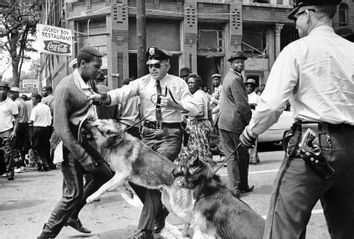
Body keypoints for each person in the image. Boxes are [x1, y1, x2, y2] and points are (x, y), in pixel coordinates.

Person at [239, 1, 354, 238]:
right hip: (351, 149)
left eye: (297, 18)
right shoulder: (351, 51)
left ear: (308, 14)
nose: (297, 24)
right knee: (347, 229)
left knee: (283, 227)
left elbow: (271, 104)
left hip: (311, 146)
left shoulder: (297, 49)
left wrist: (251, 132)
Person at [90, 46, 198, 239]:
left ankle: (145, 229)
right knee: (138, 180)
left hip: (170, 134)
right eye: (149, 65)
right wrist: (104, 98)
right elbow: (123, 92)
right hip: (147, 133)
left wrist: (177, 105)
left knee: (154, 175)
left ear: (167, 65)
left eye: (157, 65)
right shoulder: (143, 82)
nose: (152, 69)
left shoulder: (178, 83)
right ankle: (160, 212)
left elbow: (195, 108)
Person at [37, 46, 114, 239]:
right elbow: (61, 128)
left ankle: (72, 215)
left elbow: (93, 105)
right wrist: (82, 155)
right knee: (72, 194)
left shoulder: (89, 82)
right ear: (82, 64)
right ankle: (46, 235)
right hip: (69, 146)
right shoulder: (65, 87)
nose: (100, 71)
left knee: (104, 174)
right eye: (96, 66)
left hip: (87, 142)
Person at [218, 51, 253, 198]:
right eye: (237, 62)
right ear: (231, 64)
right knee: (240, 156)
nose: (240, 64)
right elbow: (242, 105)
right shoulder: (236, 79)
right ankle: (238, 188)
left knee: (232, 155)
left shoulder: (227, 77)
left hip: (223, 122)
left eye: (241, 62)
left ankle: (239, 186)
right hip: (234, 122)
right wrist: (249, 121)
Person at [178, 73, 213, 165]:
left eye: (193, 82)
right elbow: (209, 111)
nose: (190, 85)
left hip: (198, 125)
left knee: (198, 150)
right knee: (201, 150)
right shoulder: (202, 94)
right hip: (201, 124)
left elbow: (200, 112)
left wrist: (186, 113)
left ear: (198, 84)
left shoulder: (198, 95)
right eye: (188, 83)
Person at [0, 82, 19, 180]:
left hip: (7, 130)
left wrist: (14, 131)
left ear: (7, 91)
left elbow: (16, 118)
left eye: (4, 89)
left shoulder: (11, 104)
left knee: (8, 152)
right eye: (0, 89)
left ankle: (9, 172)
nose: (1, 91)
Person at [29, 93, 52, 171]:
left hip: (37, 129)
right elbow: (50, 120)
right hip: (46, 129)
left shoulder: (35, 109)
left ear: (38, 99)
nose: (32, 102)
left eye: (33, 100)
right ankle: (46, 163)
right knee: (45, 147)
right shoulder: (47, 108)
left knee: (36, 147)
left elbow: (31, 120)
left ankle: (40, 163)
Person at [9, 87, 29, 173]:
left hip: (18, 125)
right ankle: (22, 164)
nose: (10, 95)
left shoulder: (15, 103)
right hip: (24, 125)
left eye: (11, 93)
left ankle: (17, 165)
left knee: (14, 145)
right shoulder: (23, 102)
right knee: (22, 146)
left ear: (15, 94)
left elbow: (14, 116)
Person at [244, 78, 261, 165]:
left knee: (253, 139)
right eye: (247, 86)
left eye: (251, 86)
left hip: (253, 120)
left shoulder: (257, 97)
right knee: (247, 138)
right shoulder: (244, 96)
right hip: (245, 120)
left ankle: (253, 157)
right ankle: (254, 156)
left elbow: (258, 109)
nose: (249, 88)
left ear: (254, 88)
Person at [41, 86, 56, 169]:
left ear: (49, 91)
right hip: (55, 123)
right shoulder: (55, 99)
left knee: (45, 144)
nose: (42, 93)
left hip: (46, 124)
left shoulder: (44, 100)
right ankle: (53, 161)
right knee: (54, 143)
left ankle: (47, 161)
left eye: (44, 91)